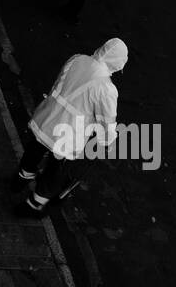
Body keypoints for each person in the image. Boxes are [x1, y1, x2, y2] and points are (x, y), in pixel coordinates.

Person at [16, 38, 129, 216]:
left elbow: (59, 84)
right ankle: (34, 204)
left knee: (35, 149)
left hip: (47, 117)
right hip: (67, 134)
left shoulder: (77, 59)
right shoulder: (107, 89)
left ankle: (22, 177)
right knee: (56, 169)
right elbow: (106, 121)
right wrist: (107, 141)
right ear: (118, 64)